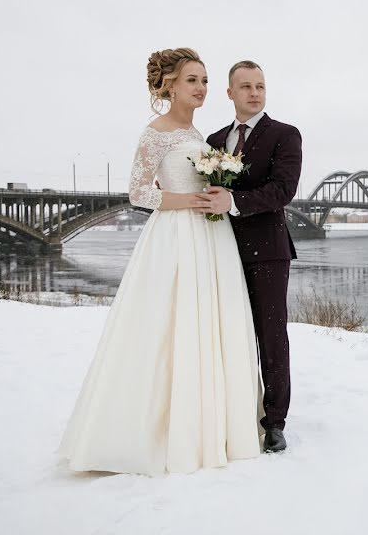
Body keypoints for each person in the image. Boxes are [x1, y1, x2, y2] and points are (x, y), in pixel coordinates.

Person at [59, 48, 263, 475]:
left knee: (213, 321)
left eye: (205, 81)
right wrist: (186, 200)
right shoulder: (155, 132)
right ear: (171, 85)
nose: (201, 88)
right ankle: (162, 429)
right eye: (193, 80)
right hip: (175, 236)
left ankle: (212, 424)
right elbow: (138, 192)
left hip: (211, 236)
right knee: (171, 325)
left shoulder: (200, 136)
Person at [200, 60, 302, 453]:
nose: (254, 93)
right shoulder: (213, 141)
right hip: (221, 249)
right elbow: (206, 187)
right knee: (227, 334)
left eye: (259, 85)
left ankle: (274, 422)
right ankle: (232, 410)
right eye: (245, 86)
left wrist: (234, 201)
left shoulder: (285, 135)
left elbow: (283, 190)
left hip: (268, 254)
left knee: (271, 337)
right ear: (230, 93)